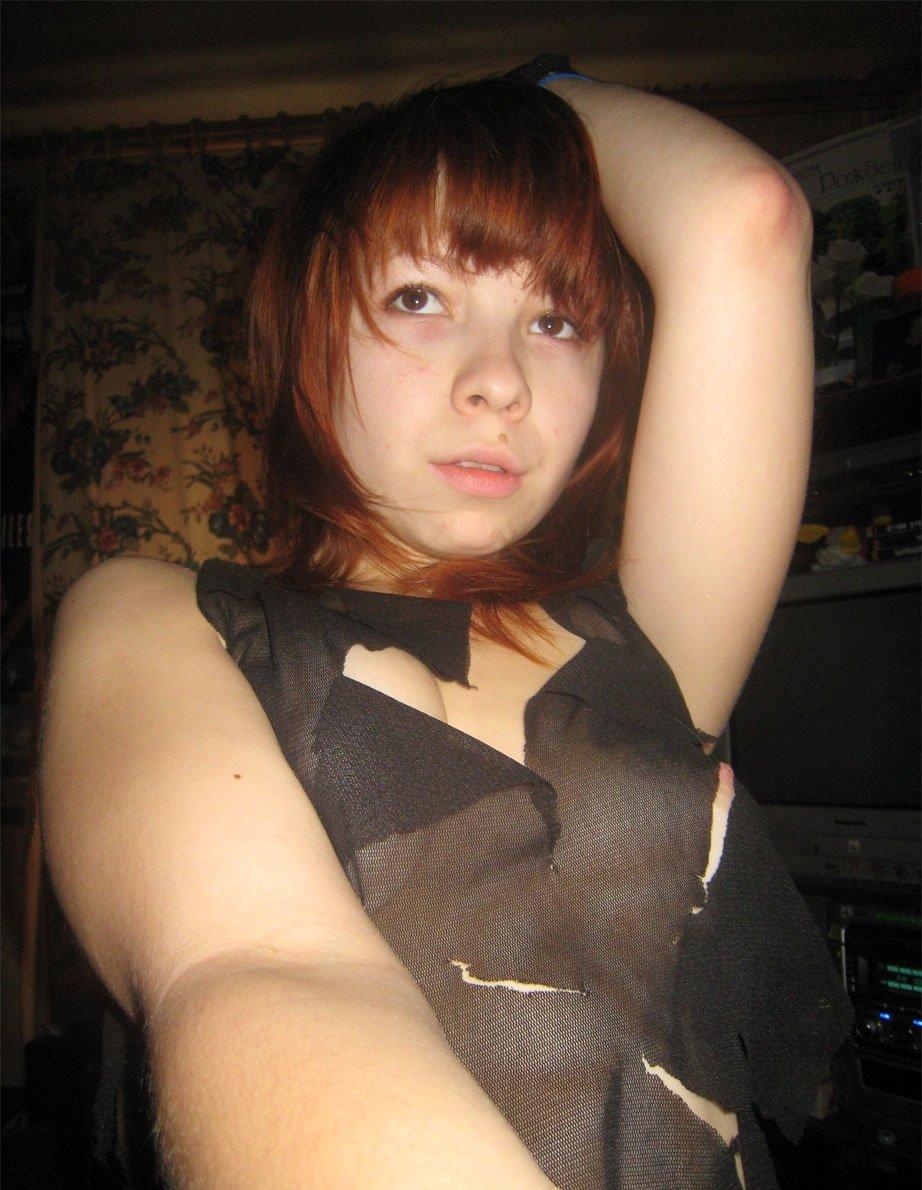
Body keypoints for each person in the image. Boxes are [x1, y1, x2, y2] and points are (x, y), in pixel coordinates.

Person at [40, 61, 852, 1189]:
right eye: (419, 299)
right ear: (307, 329)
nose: (500, 382)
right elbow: (266, 975)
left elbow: (742, 217)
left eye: (556, 320)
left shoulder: (650, 637)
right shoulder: (157, 616)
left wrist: (537, 95)